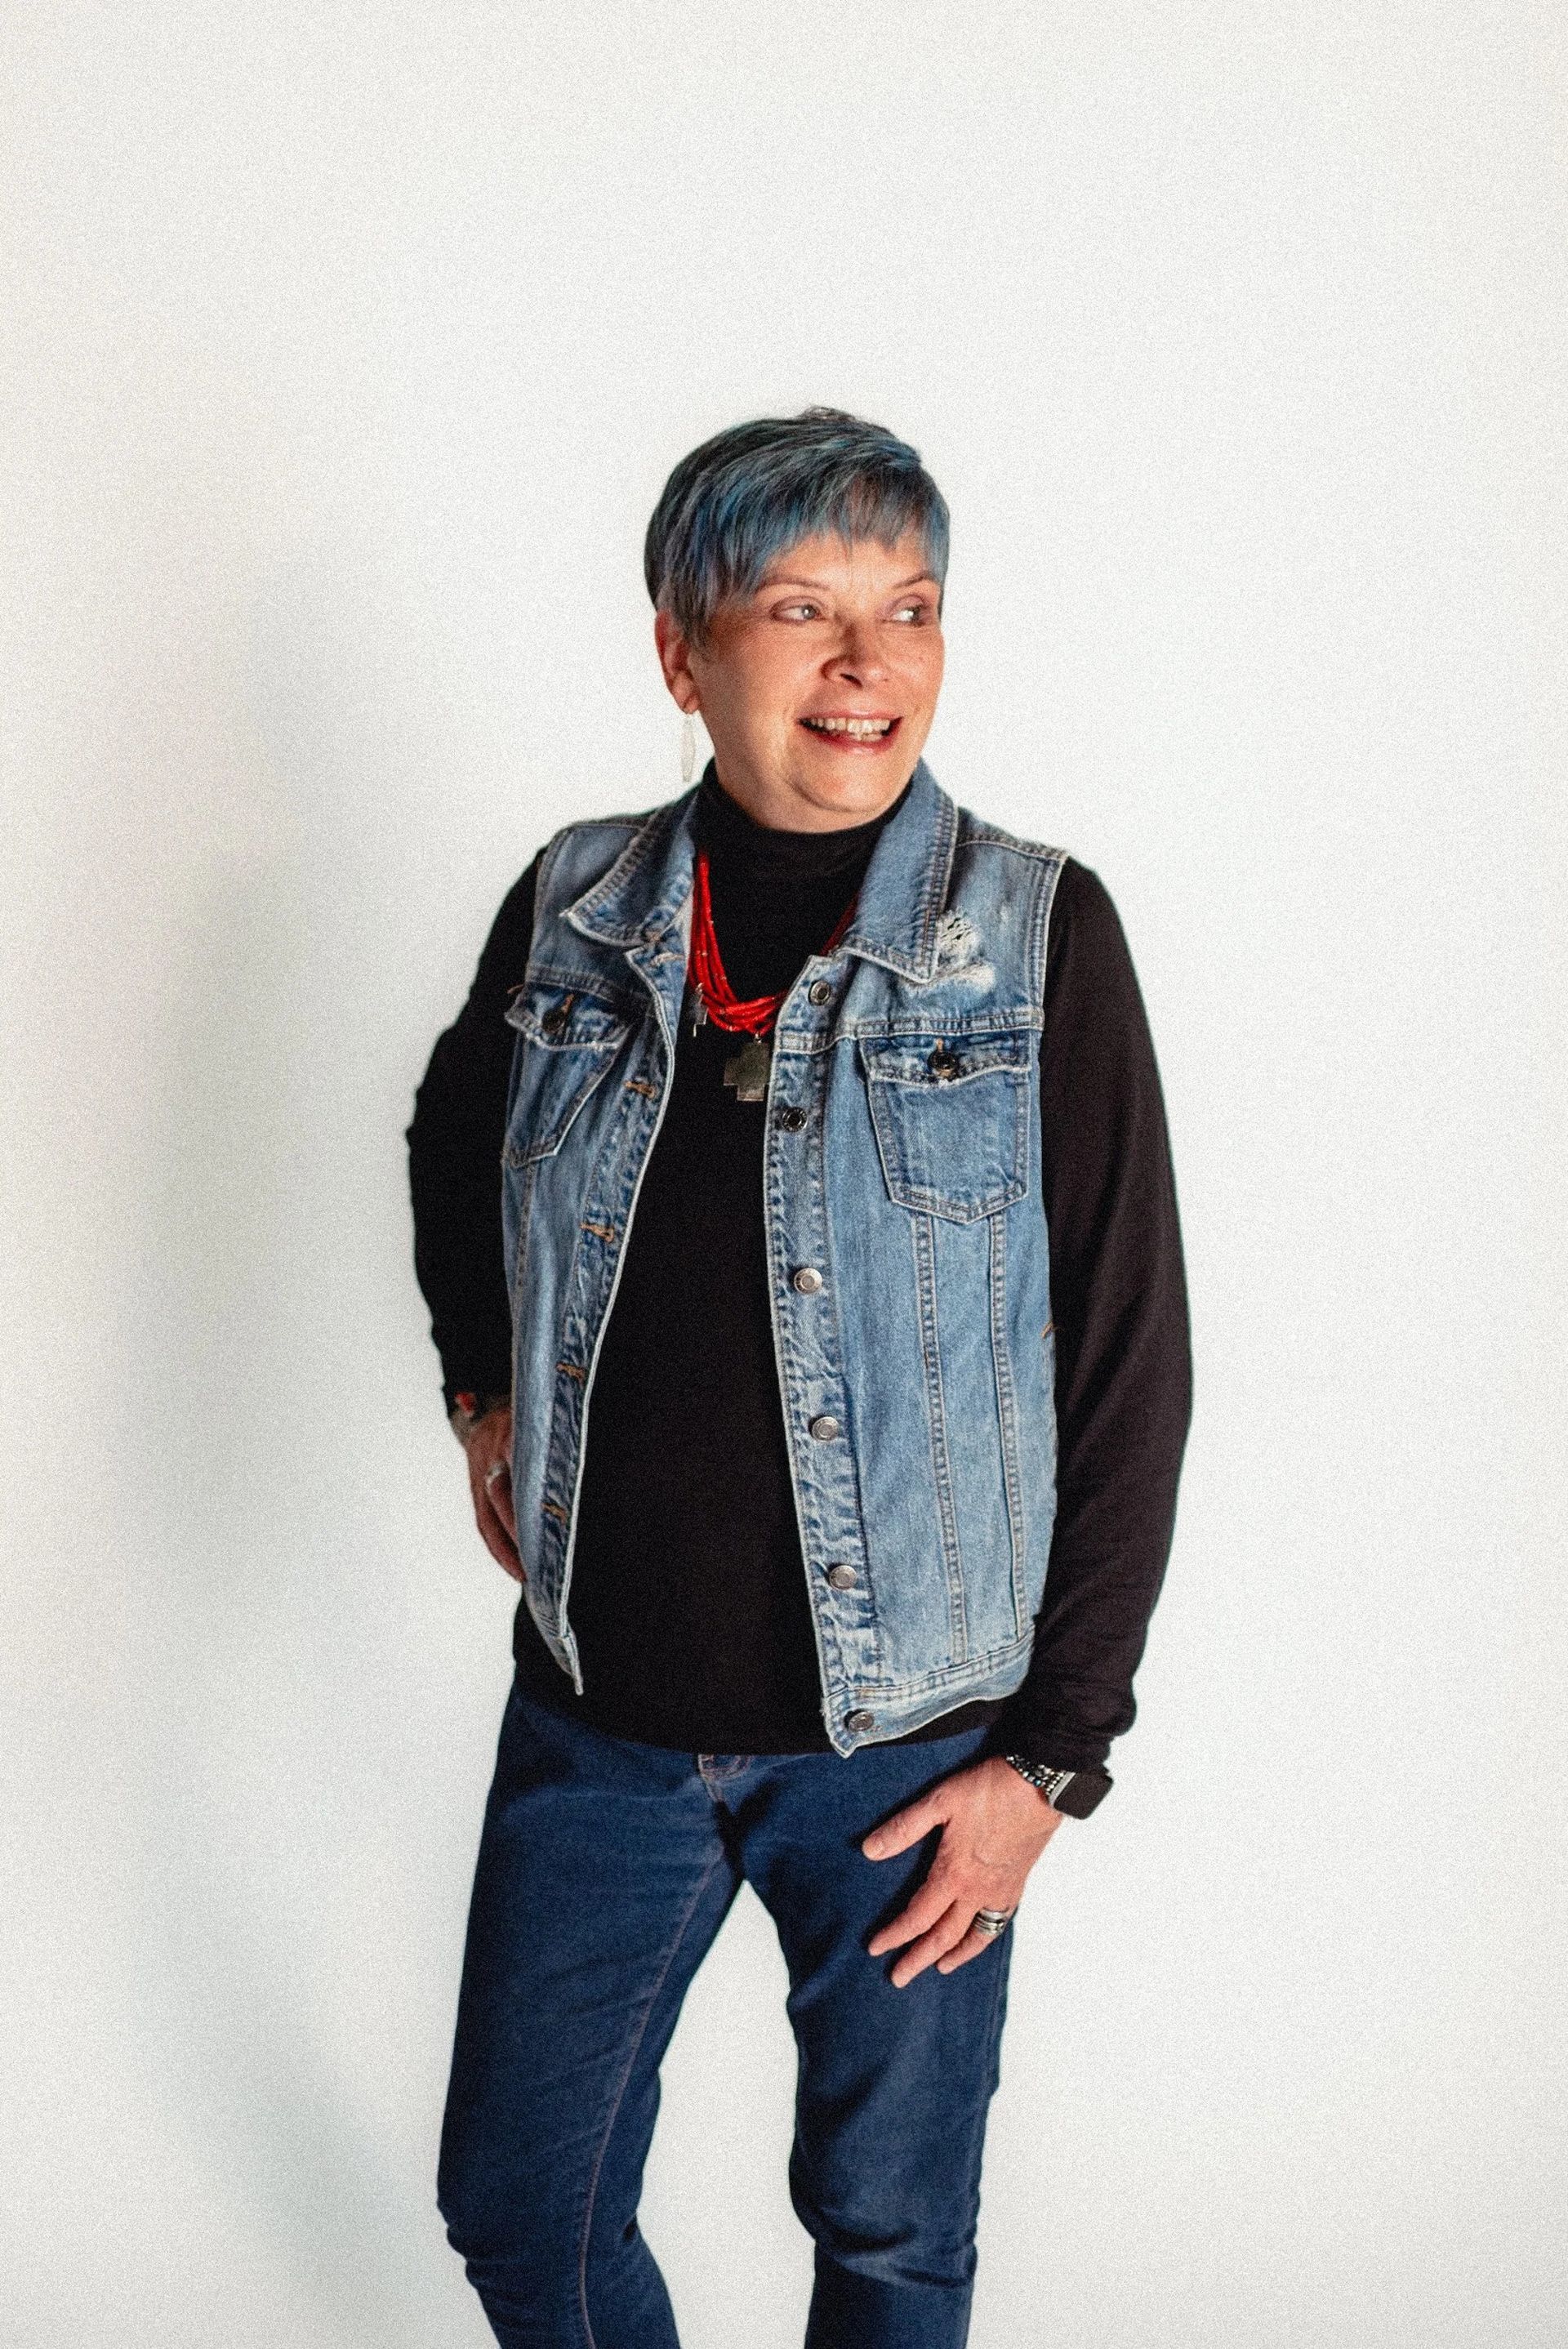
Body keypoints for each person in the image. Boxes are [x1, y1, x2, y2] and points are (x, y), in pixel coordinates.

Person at [406, 406, 1192, 2349]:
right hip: (598, 1722)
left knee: (892, 2240)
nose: (869, 666)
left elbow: (1129, 1360)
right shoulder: (581, 903)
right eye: (802, 609)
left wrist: (1052, 1762)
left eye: (910, 610)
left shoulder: (1030, 934)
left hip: (921, 1748)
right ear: (683, 651)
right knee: (521, 2200)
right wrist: (483, 1390)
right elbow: (450, 1133)